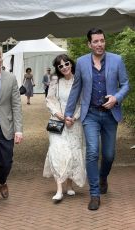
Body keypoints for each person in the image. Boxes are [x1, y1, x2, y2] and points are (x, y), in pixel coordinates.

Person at [65, 28, 130, 211]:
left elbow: (125, 84)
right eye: (96, 41)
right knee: (93, 152)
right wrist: (68, 113)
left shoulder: (116, 60)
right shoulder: (82, 62)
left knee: (109, 155)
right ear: (89, 44)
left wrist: (116, 98)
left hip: (110, 114)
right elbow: (76, 89)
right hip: (91, 114)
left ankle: (103, 177)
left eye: (102, 40)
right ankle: (94, 194)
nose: (99, 44)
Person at [0, 46, 23, 214]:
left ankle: (1, 179)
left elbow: (16, 105)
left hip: (6, 126)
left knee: (6, 163)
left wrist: (19, 129)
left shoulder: (11, 79)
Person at [43, 54, 86, 203]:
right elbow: (50, 100)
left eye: (66, 64)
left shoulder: (79, 80)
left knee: (72, 152)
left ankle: (69, 184)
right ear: (57, 68)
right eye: (60, 66)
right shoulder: (55, 81)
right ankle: (59, 190)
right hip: (57, 122)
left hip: (74, 122)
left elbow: (83, 102)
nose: (64, 67)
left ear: (71, 64)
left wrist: (73, 117)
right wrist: (60, 115)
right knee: (57, 152)